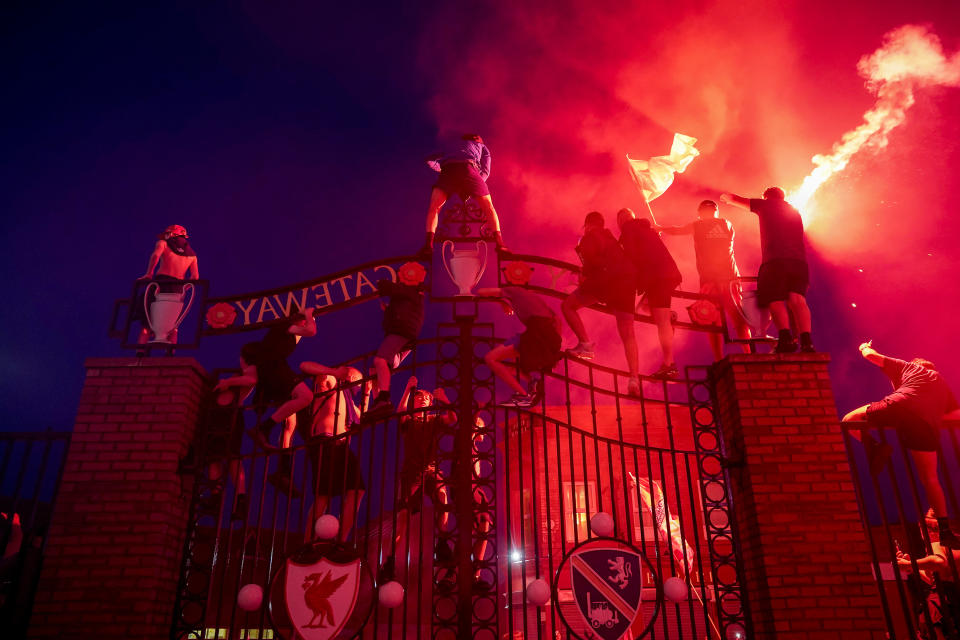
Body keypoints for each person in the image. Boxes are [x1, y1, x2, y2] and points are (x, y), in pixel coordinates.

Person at [842, 341, 960, 549]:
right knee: (930, 478)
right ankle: (944, 530)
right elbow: (955, 414)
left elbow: (872, 356)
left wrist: (863, 347)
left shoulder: (909, 366)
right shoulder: (941, 384)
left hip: (901, 405)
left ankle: (875, 447)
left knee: (849, 420)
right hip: (925, 425)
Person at [719, 188, 813, 353]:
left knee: (775, 299)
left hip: (775, 261)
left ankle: (785, 339)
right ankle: (807, 342)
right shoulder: (795, 211)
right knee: (798, 300)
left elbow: (735, 198)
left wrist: (725, 197)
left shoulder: (765, 205)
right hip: (799, 263)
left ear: (766, 196)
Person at [380, 379, 456, 581]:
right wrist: (407, 389)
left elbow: (453, 418)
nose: (423, 400)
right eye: (419, 397)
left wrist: (445, 399)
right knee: (403, 517)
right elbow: (400, 410)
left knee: (442, 496)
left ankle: (442, 542)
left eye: (427, 398)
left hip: (431, 470)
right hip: (411, 474)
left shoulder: (433, 419)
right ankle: (388, 561)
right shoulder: (408, 419)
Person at [656, 200, 752, 360]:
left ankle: (719, 358)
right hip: (730, 278)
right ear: (716, 211)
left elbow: (677, 230)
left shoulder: (698, 225)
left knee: (711, 320)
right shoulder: (727, 224)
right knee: (738, 317)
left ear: (700, 213)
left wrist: (660, 228)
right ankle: (748, 353)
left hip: (710, 279)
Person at [562, 212, 644, 394]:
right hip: (627, 284)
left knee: (568, 306)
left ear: (588, 225)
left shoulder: (588, 237)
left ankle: (585, 345)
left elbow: (590, 264)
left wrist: (583, 275)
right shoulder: (612, 240)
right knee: (628, 333)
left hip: (605, 283)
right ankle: (634, 379)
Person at [214, 309, 317, 453]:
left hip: (274, 367)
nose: (307, 322)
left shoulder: (290, 334)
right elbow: (311, 331)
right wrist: (308, 314)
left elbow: (308, 330)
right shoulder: (282, 325)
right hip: (273, 367)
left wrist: (308, 317)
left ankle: (263, 429)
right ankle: (262, 429)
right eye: (303, 320)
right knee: (306, 396)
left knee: (302, 401)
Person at [298, 363, 367, 544]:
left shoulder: (350, 402)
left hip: (342, 447)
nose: (358, 383)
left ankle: (341, 540)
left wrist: (367, 393)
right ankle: (308, 543)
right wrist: (334, 371)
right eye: (356, 377)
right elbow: (304, 366)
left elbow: (364, 419)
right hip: (325, 442)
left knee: (358, 489)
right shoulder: (332, 381)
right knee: (323, 495)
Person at [617, 208, 683, 379]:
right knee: (646, 308)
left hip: (657, 278)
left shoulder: (628, 230)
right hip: (666, 275)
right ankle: (670, 318)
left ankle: (669, 365)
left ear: (621, 221)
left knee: (662, 322)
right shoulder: (647, 229)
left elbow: (630, 257)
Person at [421, 133, 507, 255]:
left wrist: (441, 169)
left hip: (448, 172)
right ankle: (500, 243)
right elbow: (486, 169)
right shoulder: (481, 145)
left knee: (434, 207)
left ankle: (428, 245)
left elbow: (429, 159)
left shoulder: (449, 146)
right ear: (478, 139)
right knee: (488, 207)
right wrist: (475, 185)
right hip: (468, 169)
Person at [476, 286, 562, 407]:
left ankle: (525, 394)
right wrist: (555, 350)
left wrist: (501, 300)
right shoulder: (537, 300)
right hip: (544, 334)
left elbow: (482, 291)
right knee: (511, 366)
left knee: (491, 358)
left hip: (536, 333)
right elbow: (558, 321)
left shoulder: (514, 290)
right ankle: (533, 385)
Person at [365, 279, 425, 421]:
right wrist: (388, 310)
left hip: (402, 331)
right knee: (374, 368)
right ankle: (378, 402)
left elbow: (393, 289)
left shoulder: (411, 291)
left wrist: (382, 283)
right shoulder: (406, 299)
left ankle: (384, 398)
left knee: (380, 360)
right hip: (402, 333)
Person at [134, 224, 199, 346]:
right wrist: (184, 288)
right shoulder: (192, 255)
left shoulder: (163, 243)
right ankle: (171, 353)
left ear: (172, 234)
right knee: (173, 324)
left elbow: (155, 255)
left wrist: (149, 273)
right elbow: (195, 277)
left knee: (146, 319)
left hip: (161, 283)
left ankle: (140, 353)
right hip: (178, 289)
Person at [896, 522, 960, 637]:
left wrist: (909, 564)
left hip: (943, 604)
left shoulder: (937, 543)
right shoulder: (953, 547)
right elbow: (936, 579)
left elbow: (939, 562)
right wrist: (913, 569)